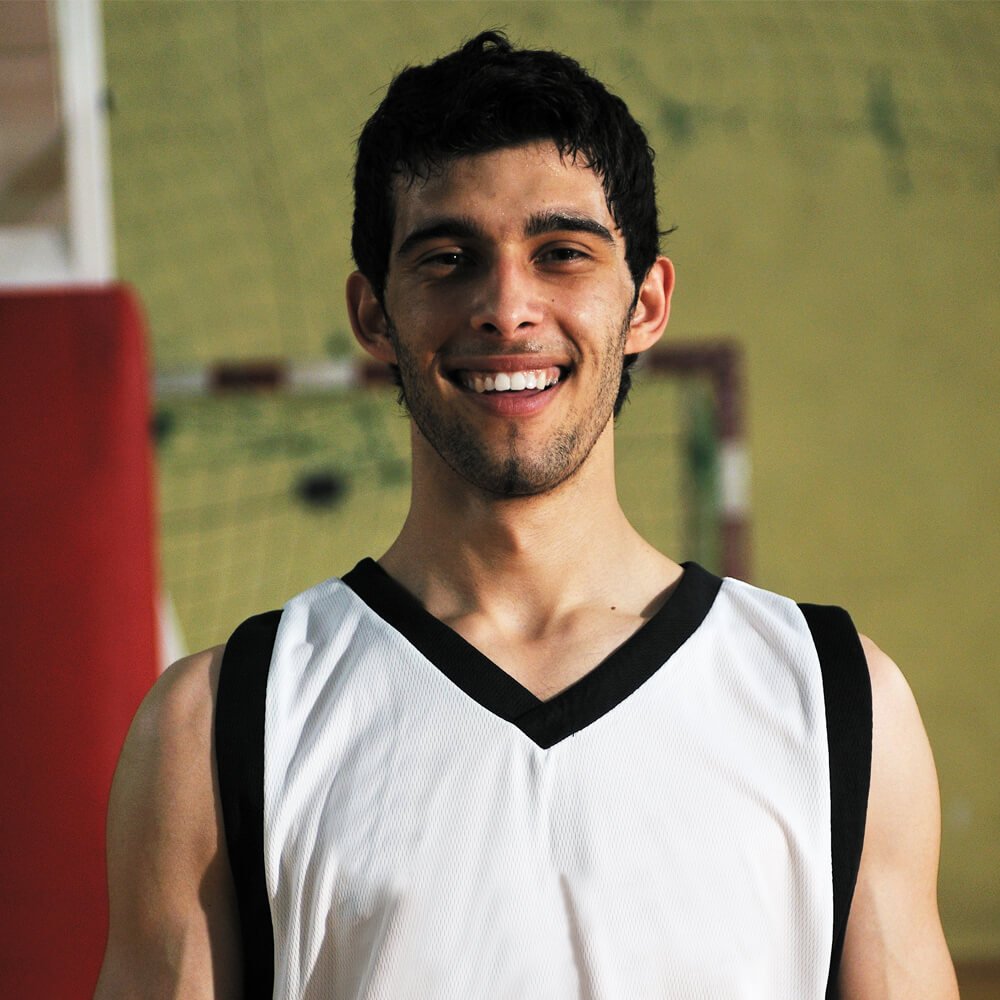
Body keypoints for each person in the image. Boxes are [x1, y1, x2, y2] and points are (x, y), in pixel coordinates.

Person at [95, 31, 958, 1000]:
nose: (507, 307)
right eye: (448, 258)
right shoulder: (219, 726)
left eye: (561, 254)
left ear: (647, 303)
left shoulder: (834, 700)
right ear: (373, 314)